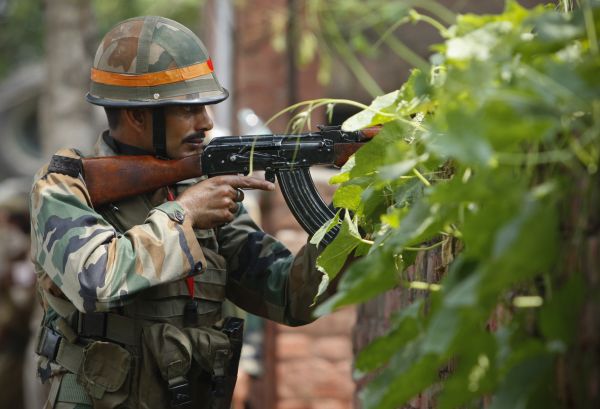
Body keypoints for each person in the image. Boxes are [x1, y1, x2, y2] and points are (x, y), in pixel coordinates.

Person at [30, 16, 338, 409]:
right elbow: (96, 281)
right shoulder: (65, 186)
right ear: (137, 116)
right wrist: (184, 213)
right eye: (188, 110)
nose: (206, 123)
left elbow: (293, 297)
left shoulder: (199, 190)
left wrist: (349, 217)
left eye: (206, 108)